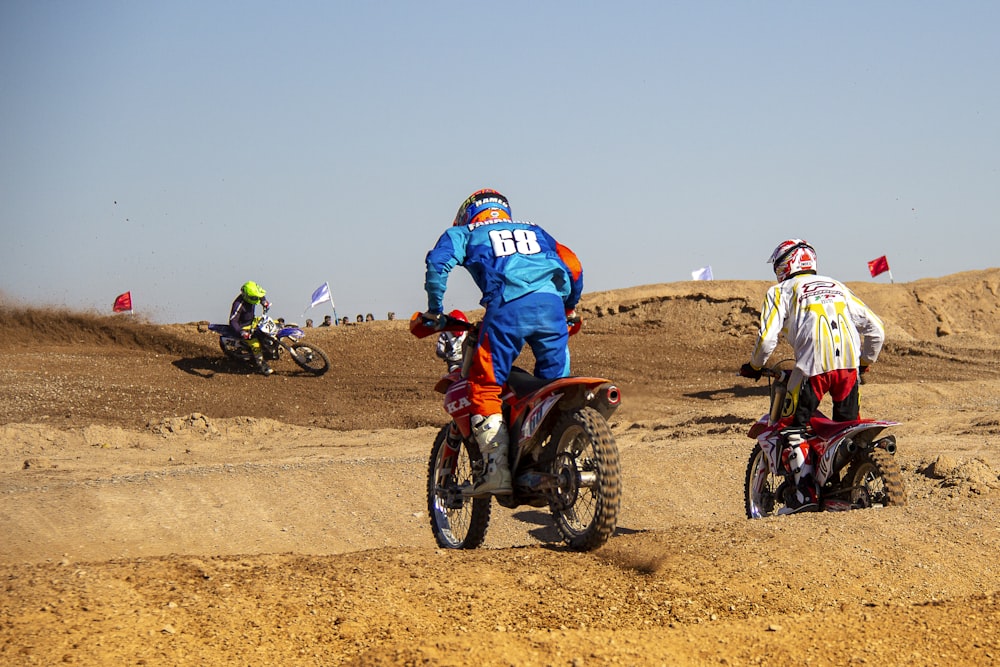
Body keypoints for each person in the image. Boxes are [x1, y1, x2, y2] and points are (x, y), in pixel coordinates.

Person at [425, 188, 583, 496]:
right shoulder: (534, 230)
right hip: (551, 308)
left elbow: (437, 264)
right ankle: (552, 454)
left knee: (483, 383)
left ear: (468, 212)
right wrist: (570, 305)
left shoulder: (465, 232)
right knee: (554, 388)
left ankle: (497, 470)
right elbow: (573, 266)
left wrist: (434, 309)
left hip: (507, 307)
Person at [739, 239, 885, 513]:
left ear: (786, 264)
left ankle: (805, 494)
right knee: (845, 431)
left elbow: (767, 336)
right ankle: (840, 489)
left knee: (791, 425)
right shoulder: (837, 286)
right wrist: (865, 362)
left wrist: (755, 365)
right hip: (849, 369)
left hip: (810, 368)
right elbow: (876, 329)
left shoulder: (781, 290)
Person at [229, 281, 274, 376]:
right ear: (247, 296)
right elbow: (233, 321)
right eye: (254, 297)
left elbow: (260, 295)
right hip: (244, 327)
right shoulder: (238, 304)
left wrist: (264, 301)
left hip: (253, 321)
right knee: (256, 345)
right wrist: (242, 332)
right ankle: (262, 365)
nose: (256, 299)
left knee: (276, 324)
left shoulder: (253, 294)